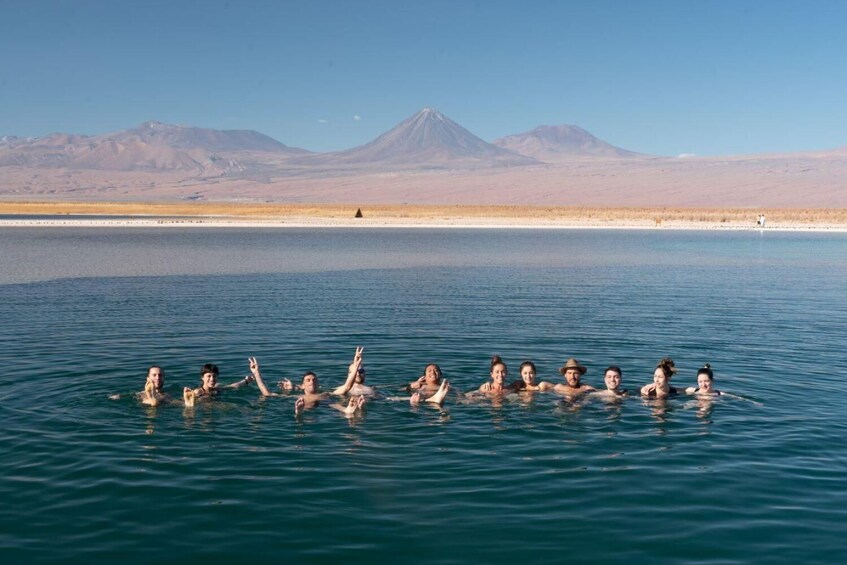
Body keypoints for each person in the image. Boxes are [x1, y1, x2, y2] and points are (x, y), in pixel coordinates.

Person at [183, 363, 253, 407]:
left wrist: (246, 381)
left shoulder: (217, 387)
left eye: (214, 376)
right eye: (209, 376)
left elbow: (233, 386)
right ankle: (188, 406)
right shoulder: (198, 392)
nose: (212, 379)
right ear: (202, 377)